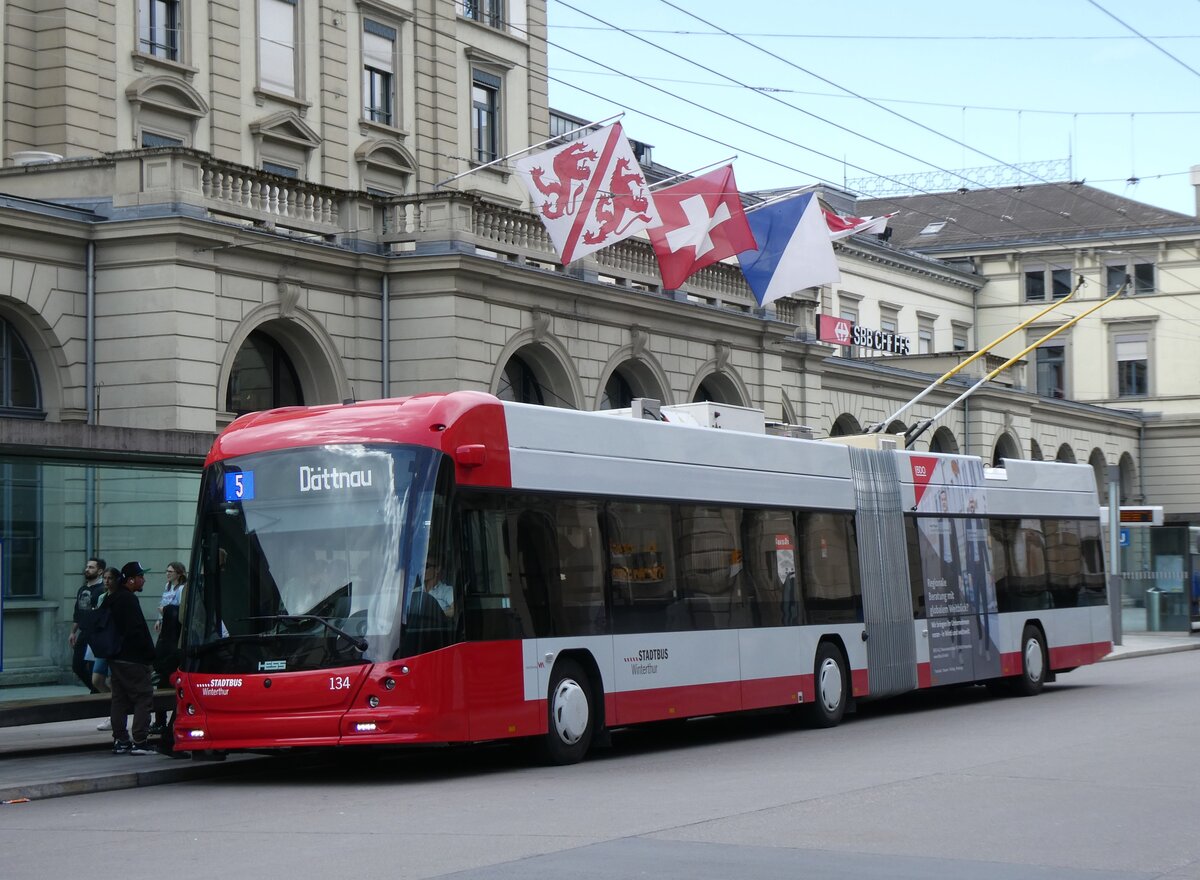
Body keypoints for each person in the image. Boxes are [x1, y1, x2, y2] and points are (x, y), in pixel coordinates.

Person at [107, 561, 157, 755]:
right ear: (130, 580)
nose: (143, 579)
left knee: (119, 699)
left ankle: (121, 740)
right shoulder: (129, 600)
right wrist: (150, 656)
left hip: (115, 656)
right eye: (140, 576)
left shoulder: (112, 598)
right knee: (143, 697)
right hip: (133, 658)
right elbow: (137, 631)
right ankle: (140, 741)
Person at [151, 561, 187, 734]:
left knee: (167, 679)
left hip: (173, 634)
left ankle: (164, 720)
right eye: (167, 571)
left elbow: (177, 612)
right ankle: (160, 720)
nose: (167, 574)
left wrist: (165, 612)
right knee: (162, 680)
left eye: (170, 571)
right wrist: (160, 619)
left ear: (179, 573)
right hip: (165, 632)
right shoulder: (167, 587)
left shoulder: (181, 589)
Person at [68, 557, 106, 692]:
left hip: (96, 634)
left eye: (91, 567)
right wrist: (73, 632)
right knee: (77, 666)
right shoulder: (82, 589)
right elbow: (77, 612)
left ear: (100, 571)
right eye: (87, 567)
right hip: (84, 633)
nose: (87, 569)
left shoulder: (102, 590)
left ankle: (96, 692)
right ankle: (97, 690)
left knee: (92, 666)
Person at [92, 567, 122, 730]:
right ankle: (115, 709)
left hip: (115, 643)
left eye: (110, 578)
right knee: (97, 679)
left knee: (113, 680)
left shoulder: (121, 597)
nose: (107, 581)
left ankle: (115, 715)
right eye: (105, 578)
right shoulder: (103, 597)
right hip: (104, 643)